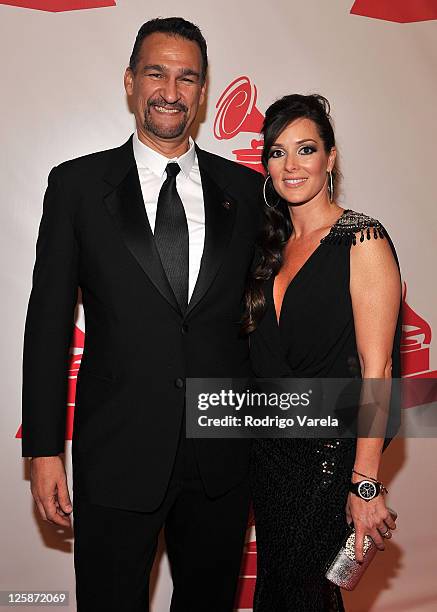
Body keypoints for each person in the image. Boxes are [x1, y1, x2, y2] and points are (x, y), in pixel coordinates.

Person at [21, 17, 263, 612]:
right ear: (130, 81)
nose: (170, 91)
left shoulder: (248, 191)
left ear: (204, 92)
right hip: (118, 450)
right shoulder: (77, 185)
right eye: (156, 73)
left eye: (188, 78)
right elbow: (48, 321)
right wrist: (45, 449)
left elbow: (268, 319)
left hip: (223, 456)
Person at [243, 94, 401, 611]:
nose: (291, 165)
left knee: (306, 596)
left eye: (305, 149)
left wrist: (366, 484)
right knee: (278, 592)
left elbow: (378, 370)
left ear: (330, 158)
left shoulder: (362, 240)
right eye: (277, 151)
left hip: (331, 464)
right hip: (271, 459)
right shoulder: (269, 245)